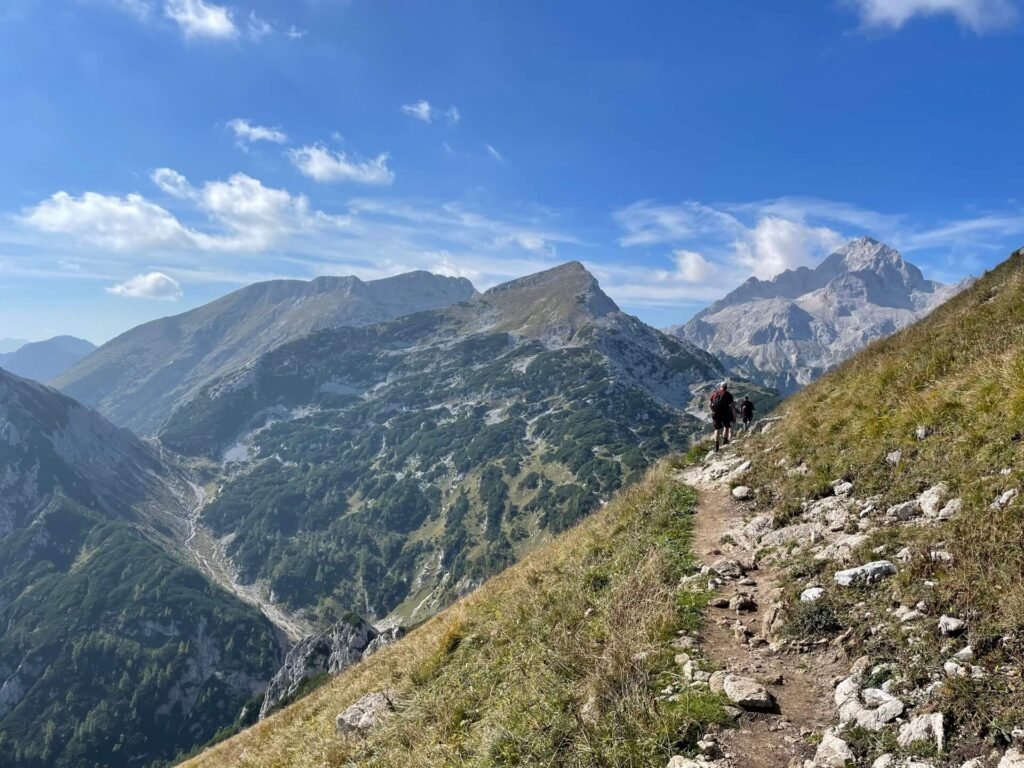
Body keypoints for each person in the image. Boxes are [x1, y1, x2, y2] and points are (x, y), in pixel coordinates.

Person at [709, 381, 736, 451]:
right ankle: (724, 442)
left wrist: (713, 410)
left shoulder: (714, 394)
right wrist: (734, 416)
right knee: (726, 427)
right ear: (726, 387)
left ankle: (716, 446)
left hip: (716, 414)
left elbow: (709, 404)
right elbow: (732, 407)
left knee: (717, 429)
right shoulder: (729, 395)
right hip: (725, 413)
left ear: (720, 387)